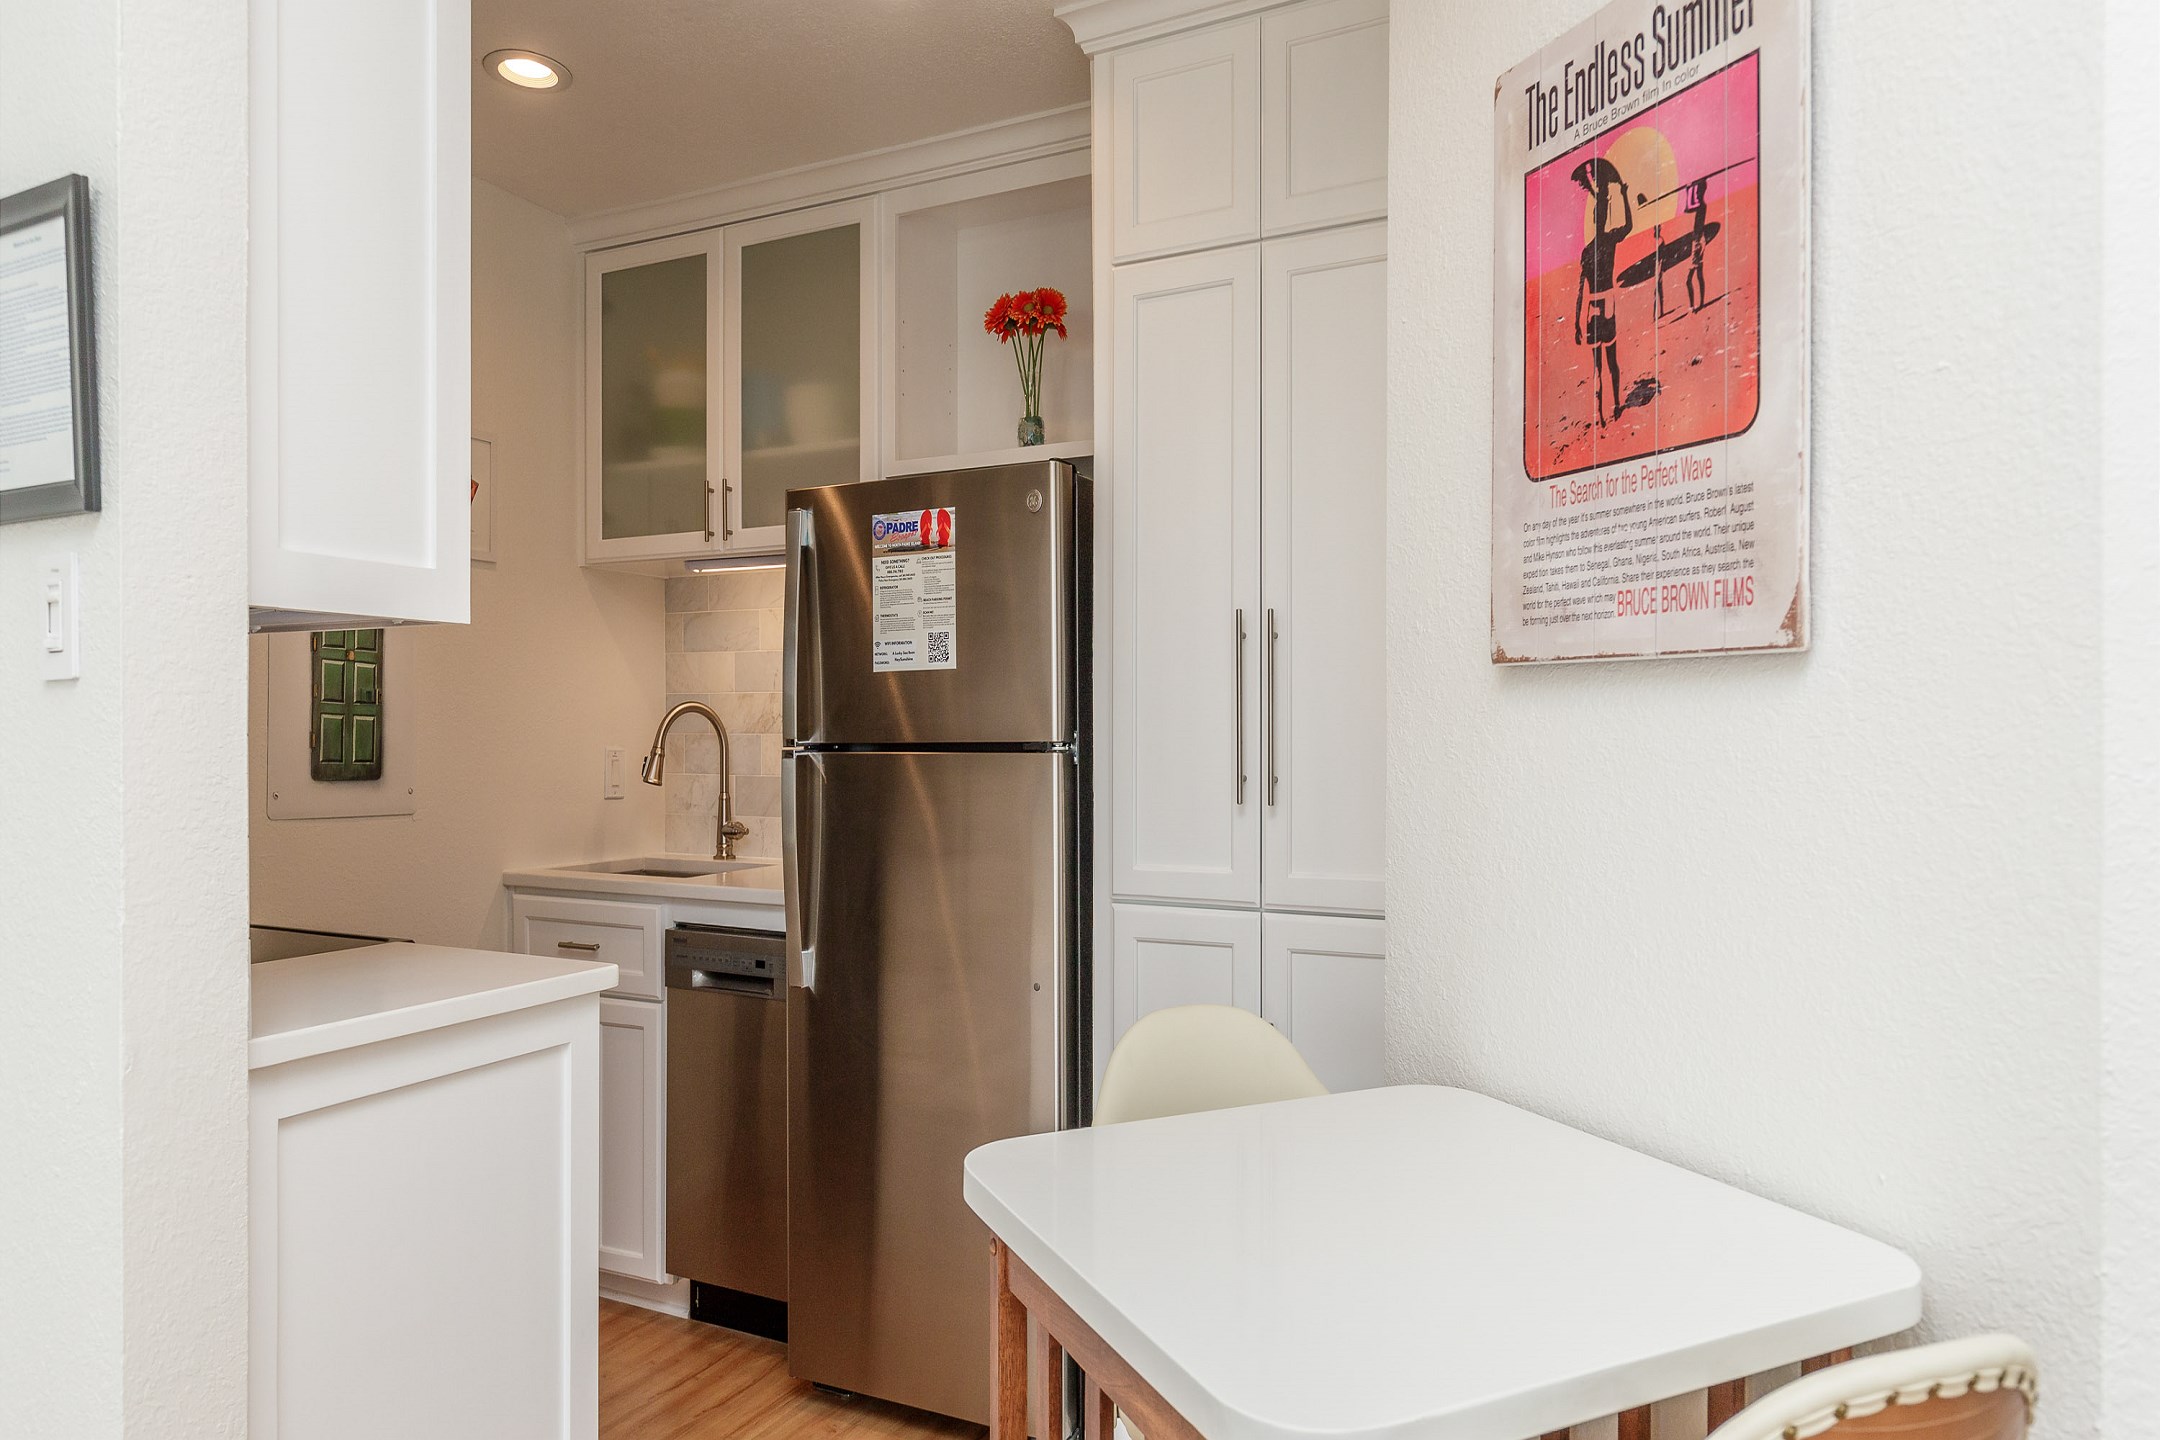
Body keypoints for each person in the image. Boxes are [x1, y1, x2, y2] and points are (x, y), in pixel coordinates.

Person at [1572, 156, 1633, 427]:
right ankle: (1617, 404)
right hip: (1607, 304)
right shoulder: (1609, 240)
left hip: (1592, 310)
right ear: (1604, 219)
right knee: (1612, 362)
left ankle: (1599, 415)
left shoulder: (1586, 252)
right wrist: (1625, 195)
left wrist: (1576, 323)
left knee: (1597, 368)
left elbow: (1580, 292)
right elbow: (1628, 226)